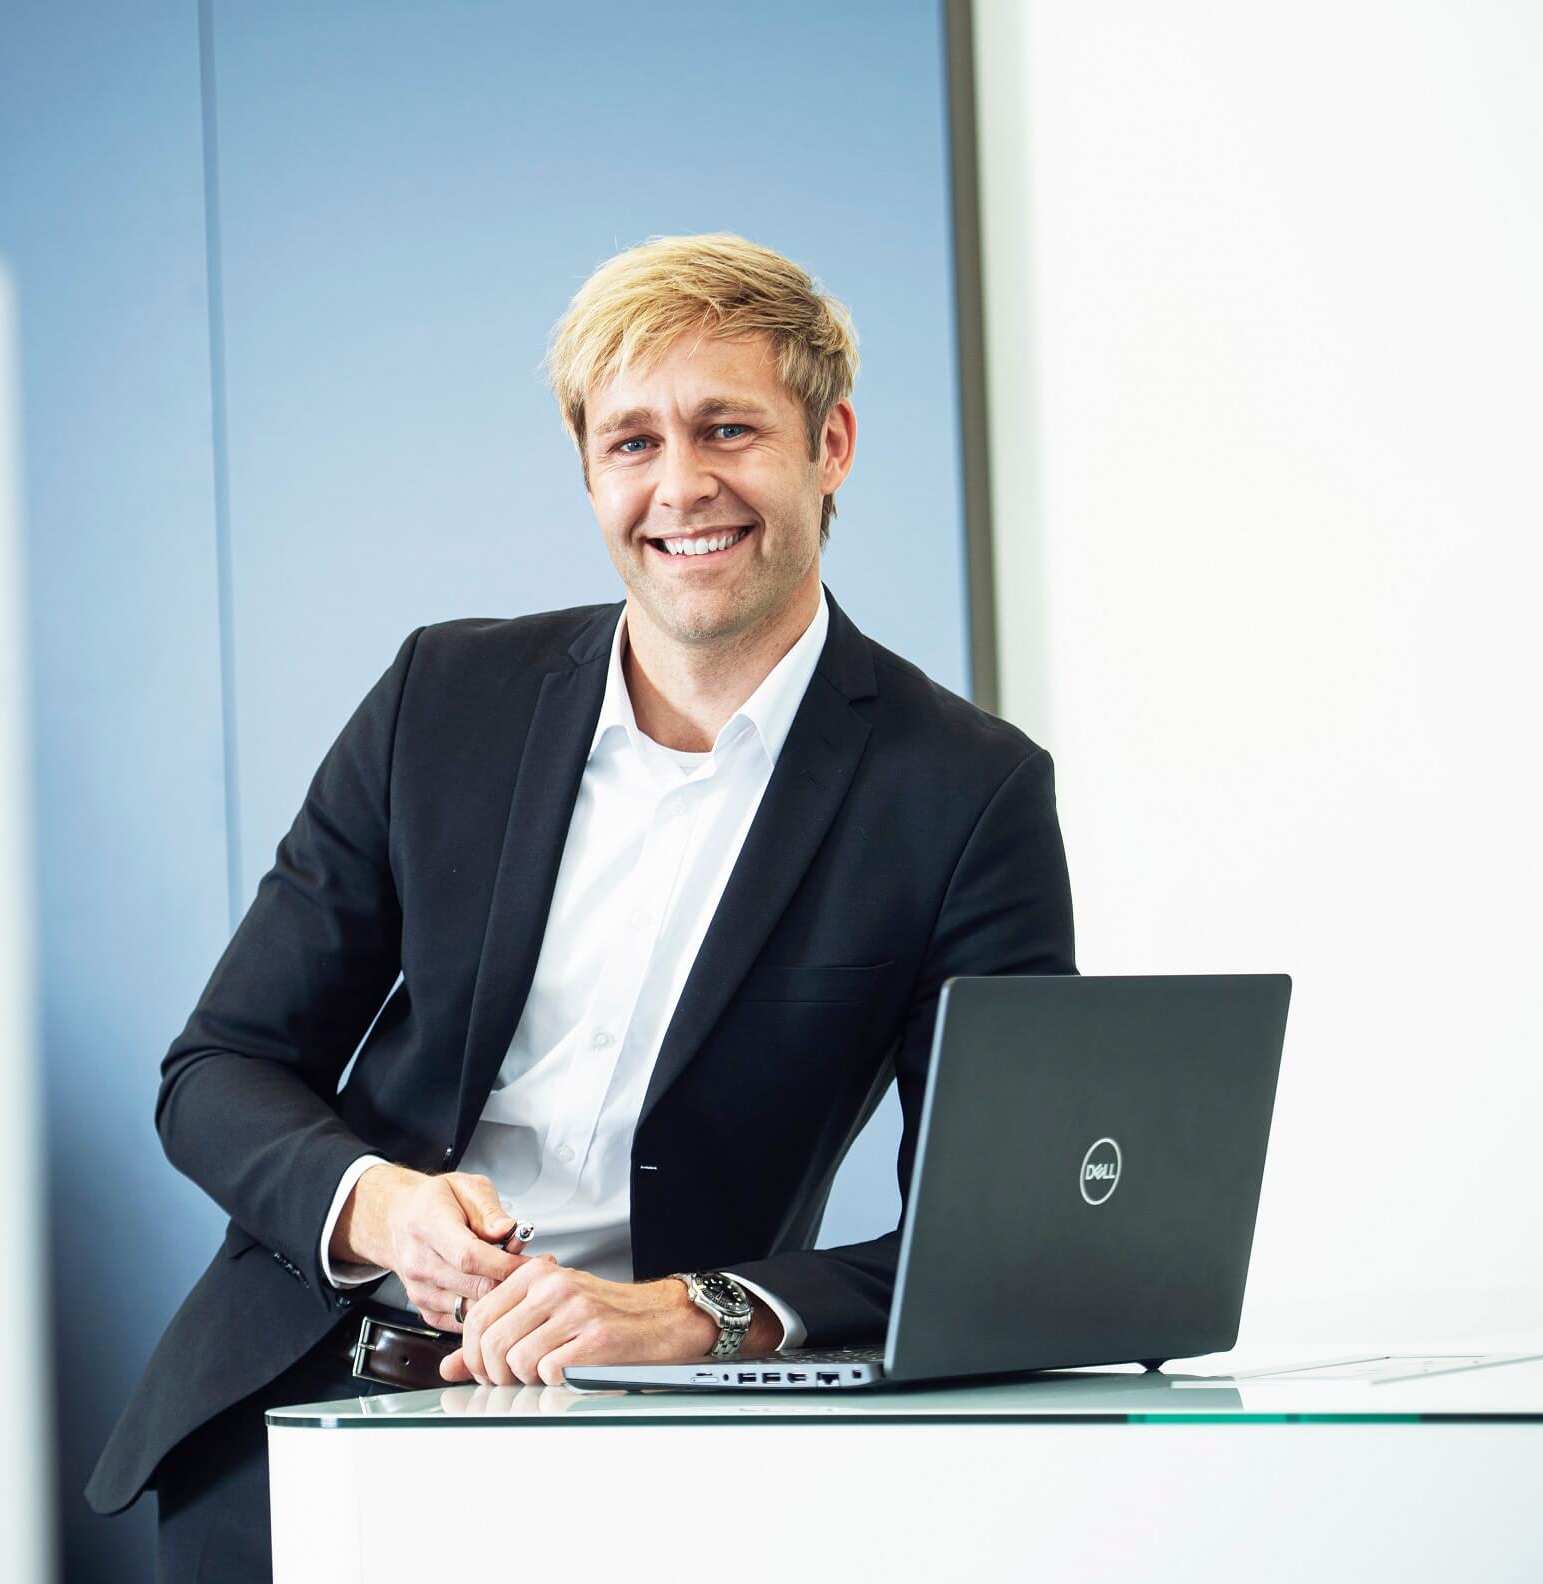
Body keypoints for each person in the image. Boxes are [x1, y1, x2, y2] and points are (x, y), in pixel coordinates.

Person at [85, 233, 1077, 1582]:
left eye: (728, 428)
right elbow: (217, 1069)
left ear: (831, 445)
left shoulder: (965, 793)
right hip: (302, 1412)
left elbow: (997, 1240)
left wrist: (699, 1312)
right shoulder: (441, 699)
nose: (681, 486)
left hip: (654, 1458)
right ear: (589, 469)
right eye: (632, 443)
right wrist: (378, 1207)